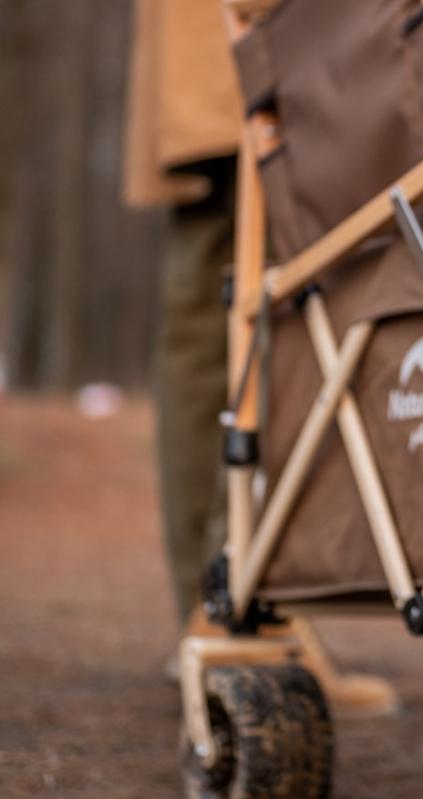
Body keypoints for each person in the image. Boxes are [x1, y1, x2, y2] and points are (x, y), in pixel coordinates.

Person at [123, 0, 242, 630]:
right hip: (257, 47)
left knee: (205, 305)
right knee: (269, 300)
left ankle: (212, 611)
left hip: (201, 57)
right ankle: (230, 609)